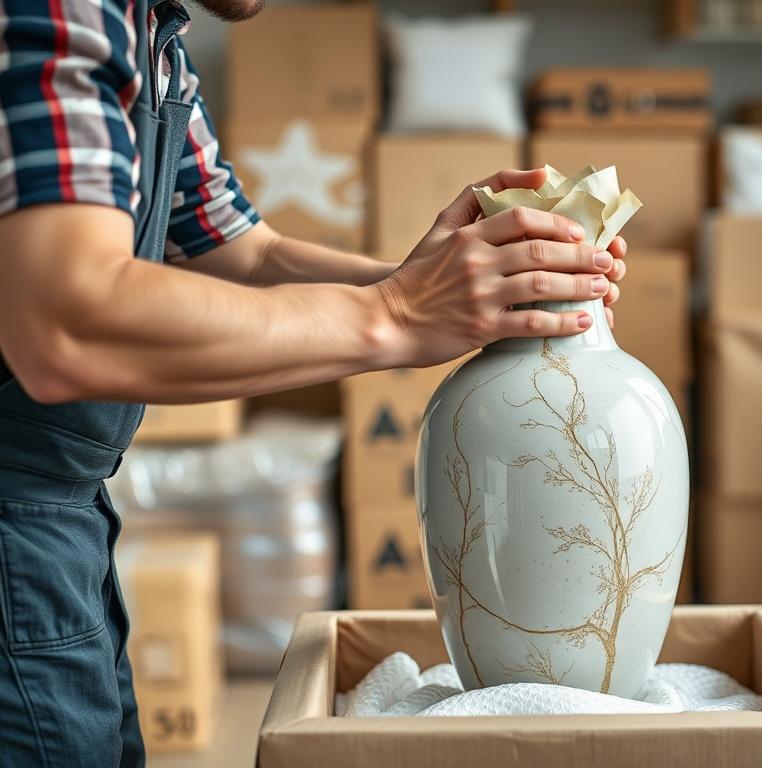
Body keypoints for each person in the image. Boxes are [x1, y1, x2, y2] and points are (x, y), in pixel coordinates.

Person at [0, 1, 628, 765]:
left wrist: (446, 287)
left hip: (64, 523)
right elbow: (68, 321)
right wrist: (398, 313)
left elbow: (243, 254)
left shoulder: (154, 32)